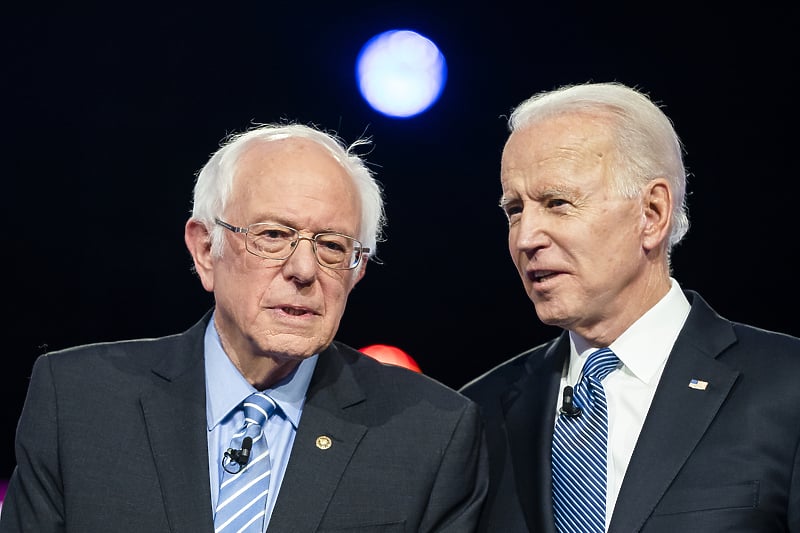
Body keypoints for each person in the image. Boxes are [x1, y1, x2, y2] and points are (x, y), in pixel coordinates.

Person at [1, 123, 488, 532]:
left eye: (333, 246)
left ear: (357, 270)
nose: (303, 269)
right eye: (273, 235)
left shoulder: (432, 434)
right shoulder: (78, 400)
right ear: (204, 250)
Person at [460, 82, 800, 532]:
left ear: (652, 214)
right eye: (515, 210)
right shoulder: (476, 414)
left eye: (558, 203)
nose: (526, 238)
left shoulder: (788, 386)